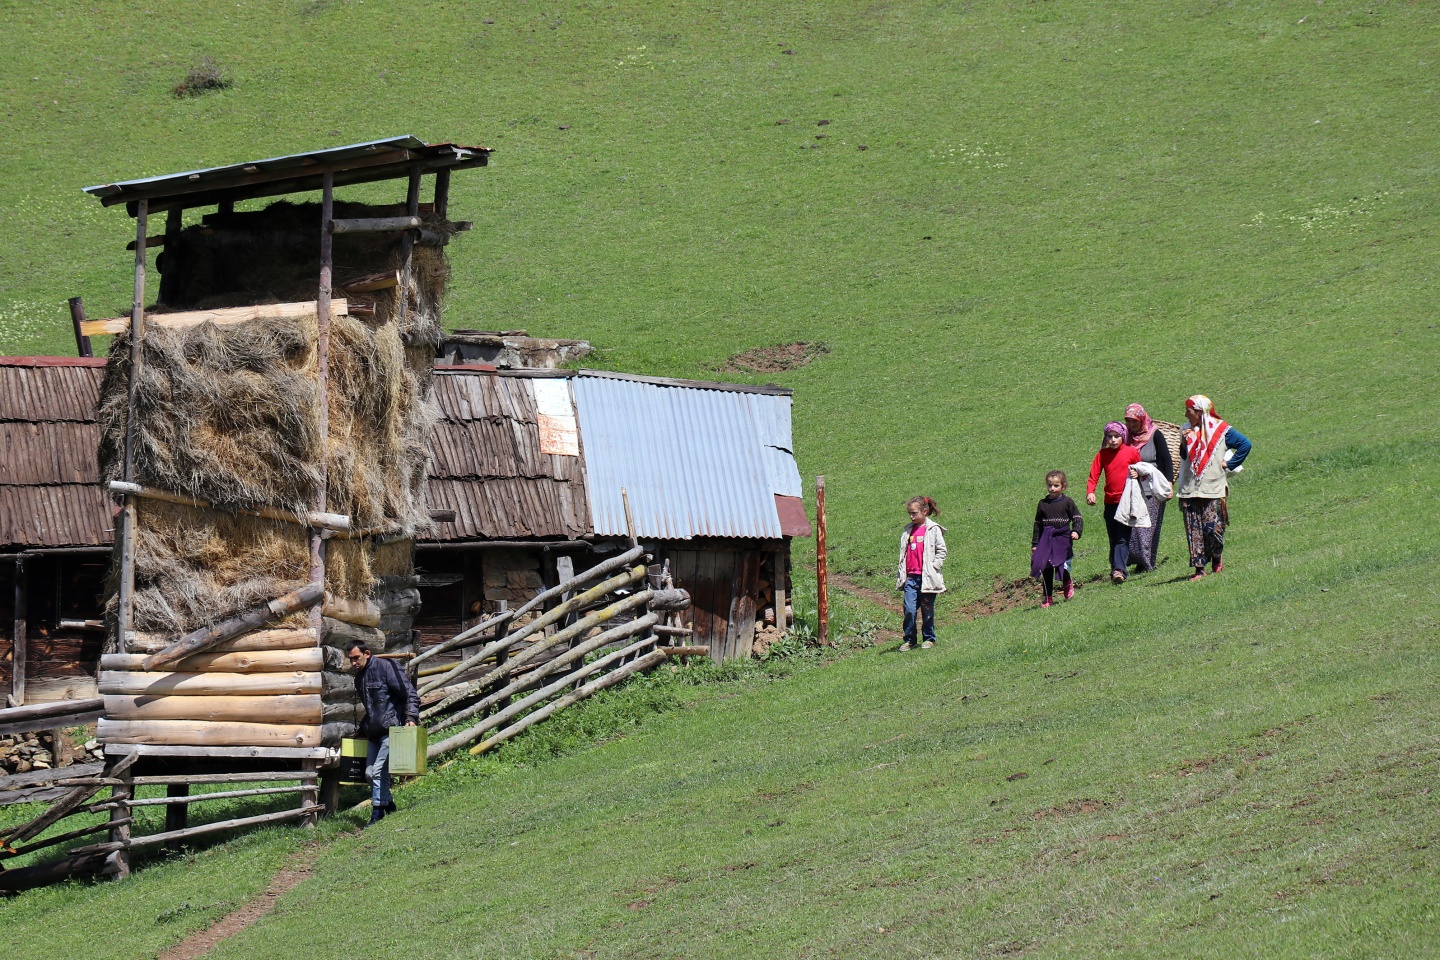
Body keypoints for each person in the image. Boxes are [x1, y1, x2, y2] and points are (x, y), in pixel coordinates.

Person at [1177, 395, 1251, 580]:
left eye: (1189, 411)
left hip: (1213, 487)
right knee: (1193, 530)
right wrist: (1185, 442)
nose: (1186, 414)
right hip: (1190, 488)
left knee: (1213, 528)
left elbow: (1245, 444)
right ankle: (1199, 569)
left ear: (1200, 412)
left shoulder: (1221, 429)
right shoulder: (1185, 429)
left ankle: (1216, 557)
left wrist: (1231, 463)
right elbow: (1183, 456)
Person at [347, 640, 420, 826]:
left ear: (367, 654)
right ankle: (389, 805)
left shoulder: (386, 668)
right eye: (351, 659)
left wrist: (411, 718)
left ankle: (377, 814)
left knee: (378, 772)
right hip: (373, 731)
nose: (354, 663)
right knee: (369, 773)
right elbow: (371, 708)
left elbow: (410, 694)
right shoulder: (359, 678)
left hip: (392, 729)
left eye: (356, 658)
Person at [1086, 422, 1142, 583]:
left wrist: (1138, 474)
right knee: (1113, 537)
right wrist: (1090, 492)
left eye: (1116, 436)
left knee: (1122, 537)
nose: (1112, 440)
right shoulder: (1102, 455)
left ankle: (1119, 570)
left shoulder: (1131, 452)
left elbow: (1142, 470)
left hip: (1126, 501)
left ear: (1123, 437)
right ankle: (1116, 568)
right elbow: (1093, 475)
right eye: (1109, 436)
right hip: (1110, 502)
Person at [1122, 403, 1174, 572]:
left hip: (1153, 486)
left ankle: (1147, 562)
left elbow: (1166, 461)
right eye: (1128, 421)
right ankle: (1141, 562)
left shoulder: (1155, 434)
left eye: (1134, 421)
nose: (1131, 425)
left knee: (1149, 527)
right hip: (1133, 487)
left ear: (1142, 419)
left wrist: (1169, 485)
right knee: (1135, 527)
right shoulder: (1126, 437)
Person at [895, 496, 947, 650]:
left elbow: (941, 550)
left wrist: (934, 565)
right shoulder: (908, 530)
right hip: (911, 578)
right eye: (909, 513)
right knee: (909, 609)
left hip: (927, 578)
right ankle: (910, 639)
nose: (911, 516)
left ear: (925, 511)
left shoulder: (933, 529)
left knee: (927, 610)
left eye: (914, 513)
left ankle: (929, 638)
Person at [1031, 470, 1083, 608]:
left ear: (1063, 486)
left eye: (1056, 485)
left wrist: (1076, 531)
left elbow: (1077, 517)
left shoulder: (1067, 502)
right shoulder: (1043, 504)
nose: (1052, 488)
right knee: (1046, 567)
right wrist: (1035, 543)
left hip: (1063, 538)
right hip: (1046, 539)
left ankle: (1067, 582)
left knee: (1061, 565)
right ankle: (1048, 598)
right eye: (1050, 485)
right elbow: (1037, 524)